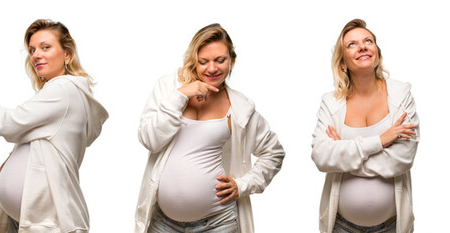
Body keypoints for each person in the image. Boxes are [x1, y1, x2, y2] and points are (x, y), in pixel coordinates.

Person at [134, 23, 285, 233]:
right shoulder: (168, 88)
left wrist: (242, 185)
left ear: (232, 60)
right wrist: (180, 96)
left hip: (217, 224)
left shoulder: (240, 108)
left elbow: (274, 152)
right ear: (193, 60)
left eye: (220, 60)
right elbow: (150, 140)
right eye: (203, 62)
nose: (212, 68)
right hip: (163, 224)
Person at [0, 19, 108, 233]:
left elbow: (9, 124)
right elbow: (36, 135)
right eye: (32, 50)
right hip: (30, 219)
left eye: (46, 47)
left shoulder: (64, 90)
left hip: (48, 222)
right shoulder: (58, 93)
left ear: (67, 54)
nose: (36, 55)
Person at [311, 19, 418, 233]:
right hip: (342, 226)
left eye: (368, 41)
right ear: (343, 63)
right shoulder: (331, 102)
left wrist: (344, 154)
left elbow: (403, 159)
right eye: (352, 44)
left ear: (376, 53)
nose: (362, 46)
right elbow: (321, 156)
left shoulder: (400, 94)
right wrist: (381, 140)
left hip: (391, 226)